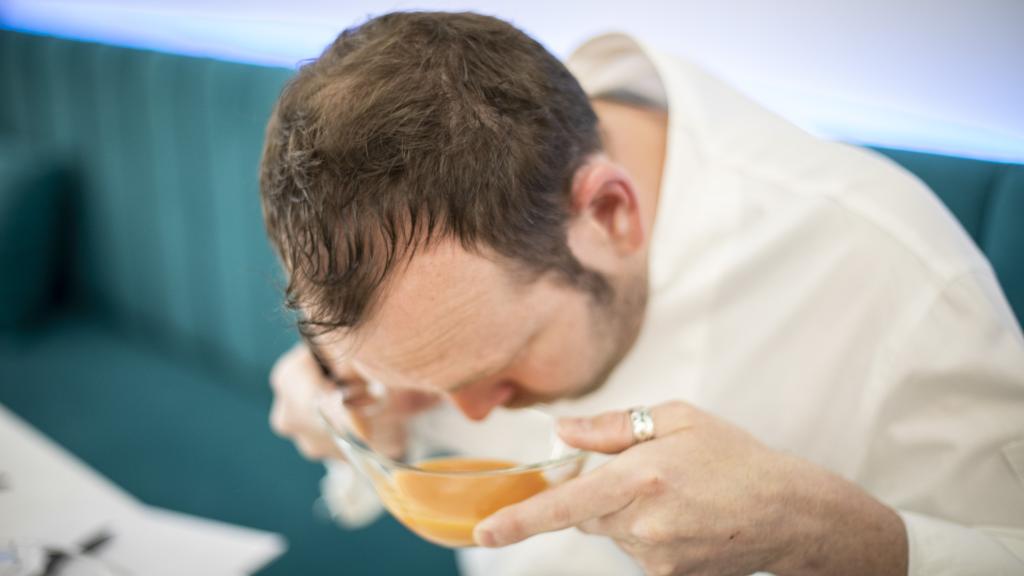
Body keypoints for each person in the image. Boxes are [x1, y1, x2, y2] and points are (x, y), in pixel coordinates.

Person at [258, 11, 1024, 576]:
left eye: (500, 364)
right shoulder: (435, 247)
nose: (474, 412)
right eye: (430, 382)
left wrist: (839, 537)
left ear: (610, 214)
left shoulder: (894, 270)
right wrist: (357, 405)